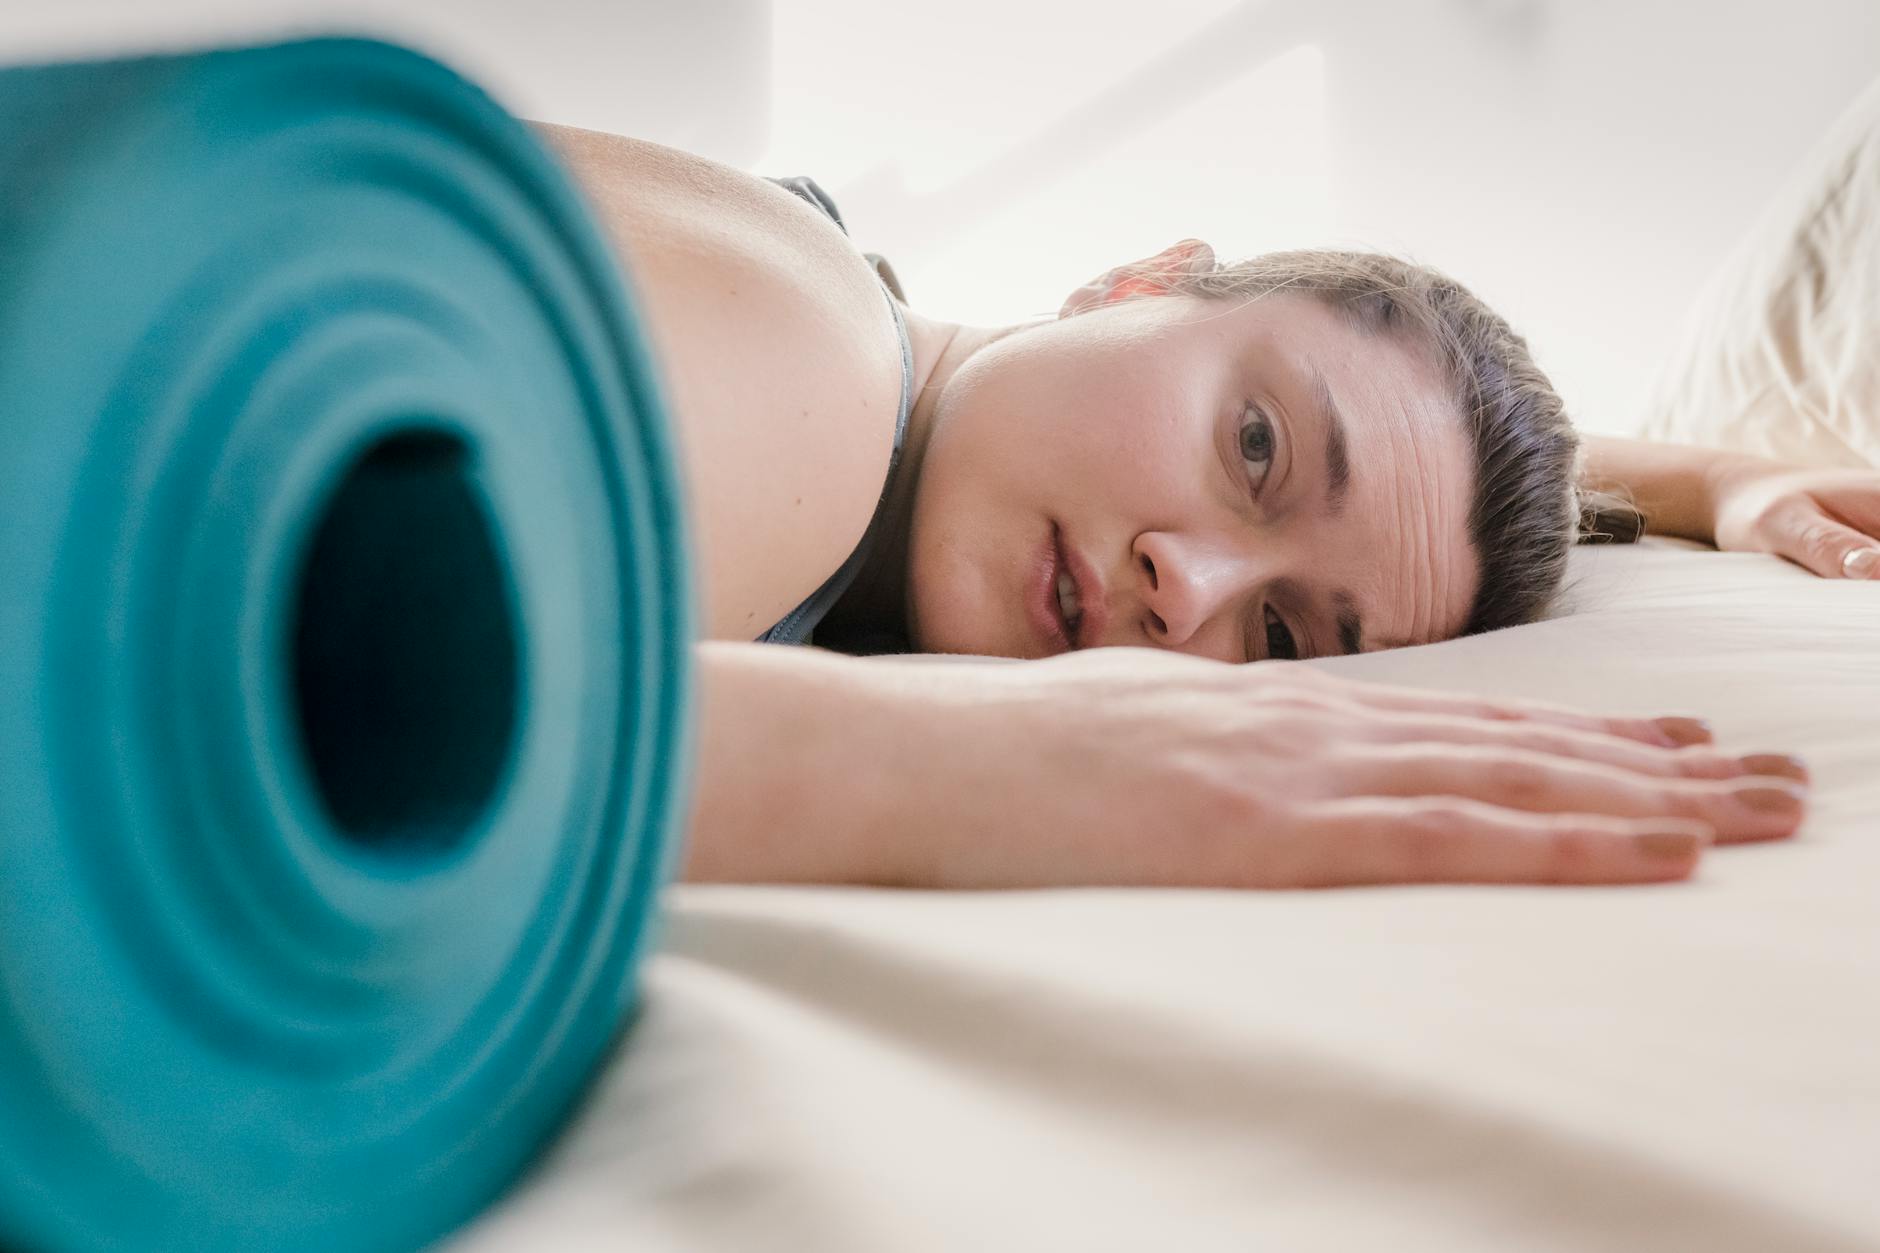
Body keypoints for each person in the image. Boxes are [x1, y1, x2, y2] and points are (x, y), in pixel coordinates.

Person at [532, 122, 1878, 891]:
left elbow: (1369, 478)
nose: (1191, 590)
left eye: (1282, 636)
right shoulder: (810, 360)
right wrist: (988, 767)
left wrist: (1708, 476)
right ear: (1135, 280)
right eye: (1254, 446)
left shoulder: (844, 373)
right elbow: (428, 720)